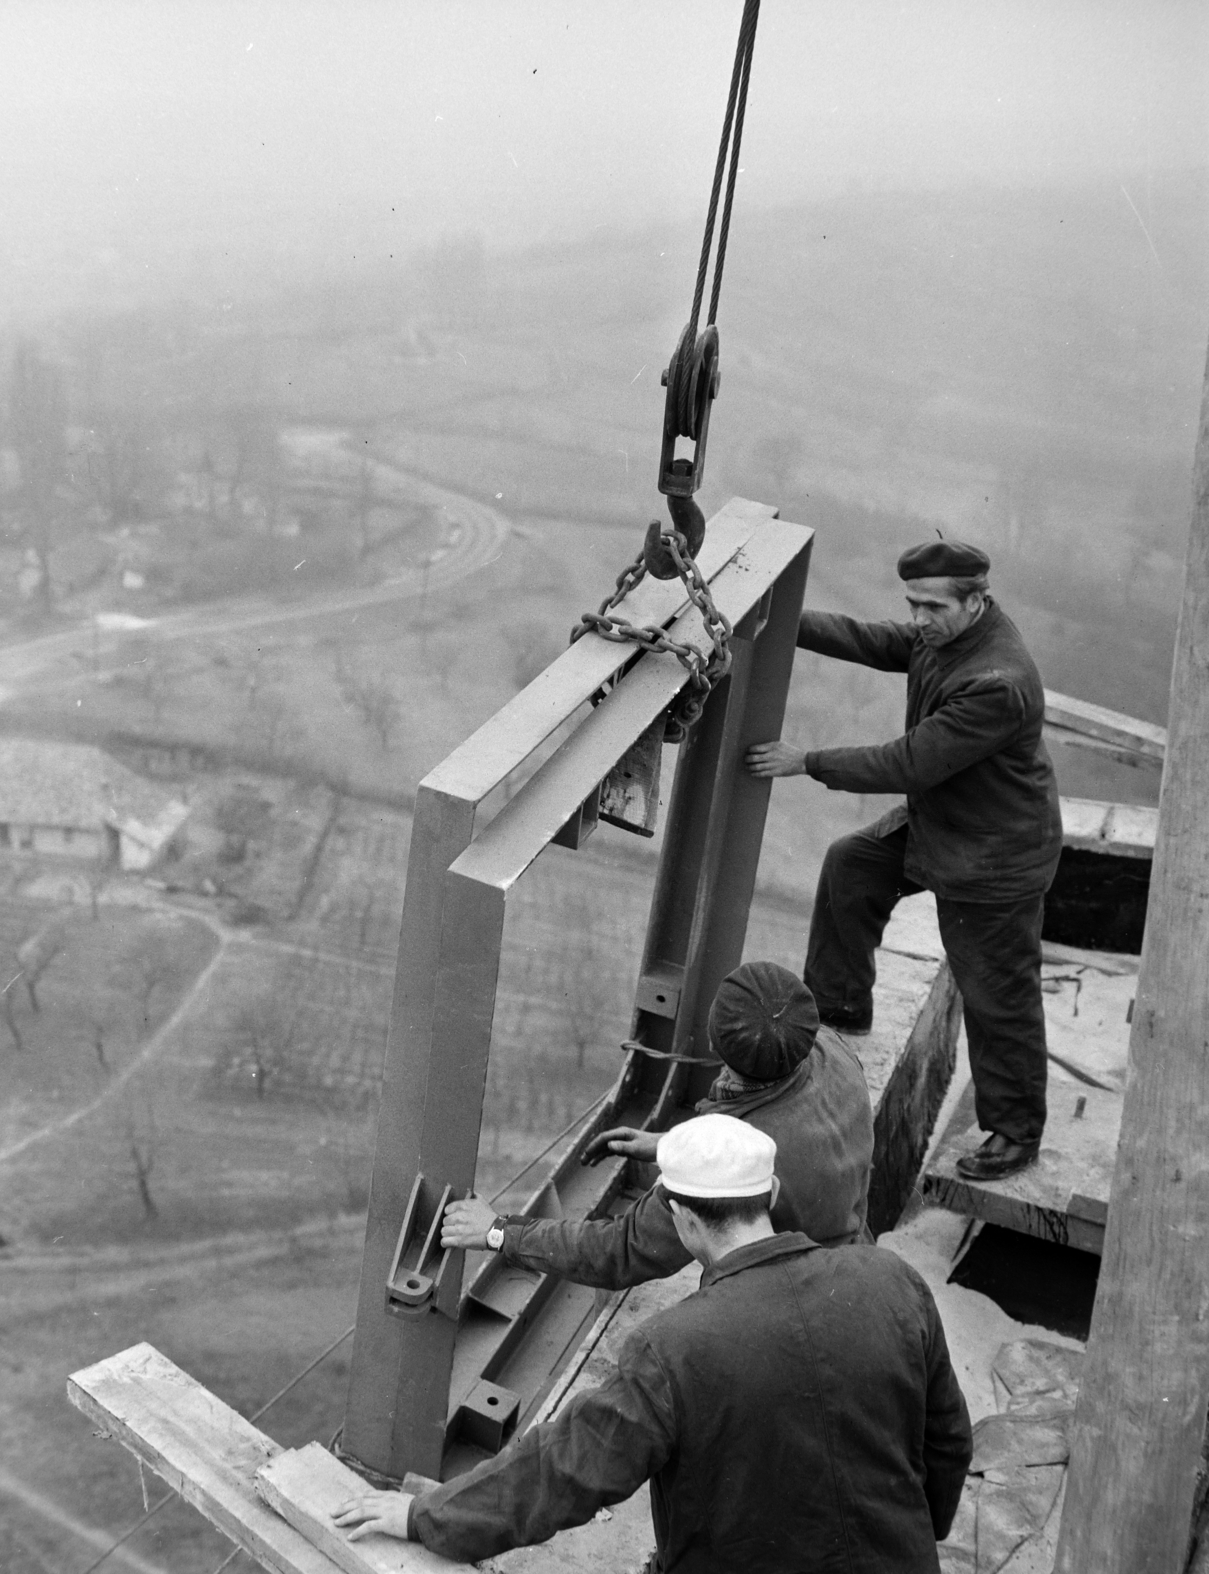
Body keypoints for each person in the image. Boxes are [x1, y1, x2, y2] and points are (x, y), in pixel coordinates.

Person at [334, 1115, 972, 1572]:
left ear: (682, 1218)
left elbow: (560, 1473)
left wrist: (424, 1516)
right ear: (771, 1195)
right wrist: (913, 1535)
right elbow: (948, 1441)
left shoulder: (673, 1350)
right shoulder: (892, 1280)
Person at [744, 540, 1060, 1182]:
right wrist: (779, 620)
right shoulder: (946, 633)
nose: (917, 617)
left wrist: (806, 761)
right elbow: (874, 638)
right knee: (853, 865)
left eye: (931, 606)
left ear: (976, 601)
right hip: (946, 821)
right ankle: (838, 1007)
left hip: (993, 857)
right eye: (912, 603)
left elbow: (908, 762)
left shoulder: (995, 682)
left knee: (997, 992)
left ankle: (1016, 1131)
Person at [439, 960, 875, 1277]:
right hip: (855, 1260)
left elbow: (622, 1251)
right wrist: (669, 1142)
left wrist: (498, 1232)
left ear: (713, 1041)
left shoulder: (729, 1163)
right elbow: (786, 1121)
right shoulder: (833, 1050)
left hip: (794, 1299)